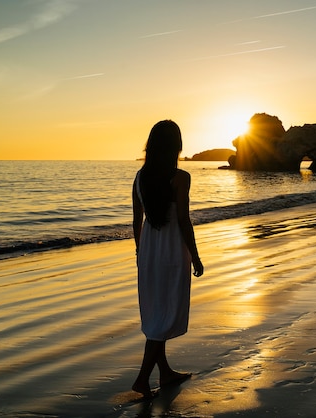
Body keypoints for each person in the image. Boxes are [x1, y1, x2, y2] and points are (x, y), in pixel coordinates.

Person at [131, 120, 204, 398]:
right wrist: (195, 256)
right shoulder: (180, 177)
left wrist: (141, 252)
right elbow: (184, 221)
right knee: (163, 314)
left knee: (156, 312)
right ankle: (141, 379)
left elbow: (136, 221)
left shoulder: (140, 177)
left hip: (149, 250)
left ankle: (165, 372)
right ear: (176, 146)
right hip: (172, 249)